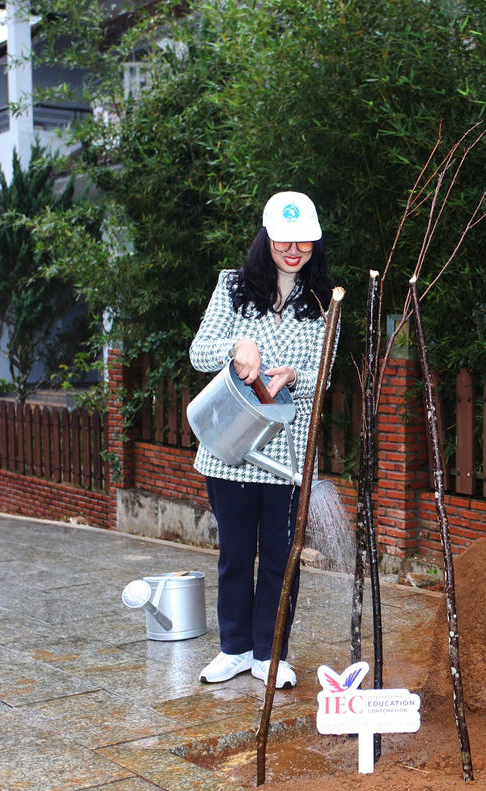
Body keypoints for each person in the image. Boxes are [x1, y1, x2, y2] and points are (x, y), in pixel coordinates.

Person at [189, 190, 336, 689]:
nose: (293, 251)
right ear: (267, 239)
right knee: (235, 551)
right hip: (230, 447)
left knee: (279, 556)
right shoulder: (232, 287)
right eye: (283, 241)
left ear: (315, 244)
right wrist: (239, 344)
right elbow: (199, 352)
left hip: (289, 456)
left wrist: (295, 373)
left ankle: (270, 654)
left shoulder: (322, 301)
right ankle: (232, 649)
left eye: (304, 243)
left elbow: (325, 374)